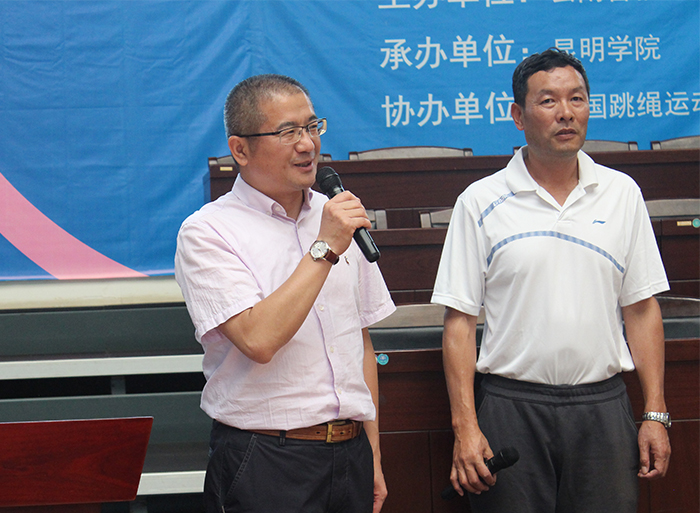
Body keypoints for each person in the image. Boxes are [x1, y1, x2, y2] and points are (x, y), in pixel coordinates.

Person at [432, 48, 671, 512]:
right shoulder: (480, 200)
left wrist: (655, 412)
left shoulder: (621, 193)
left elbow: (642, 309)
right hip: (511, 407)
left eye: (577, 99)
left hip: (603, 407)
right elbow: (459, 323)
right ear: (518, 116)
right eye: (548, 101)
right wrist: (466, 427)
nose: (566, 113)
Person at [175, 74, 395, 513]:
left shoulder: (335, 215)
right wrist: (325, 247)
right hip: (266, 460)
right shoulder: (209, 231)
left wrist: (372, 450)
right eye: (288, 132)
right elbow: (258, 339)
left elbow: (360, 342)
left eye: (312, 127)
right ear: (240, 149)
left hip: (351, 452)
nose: (307, 144)